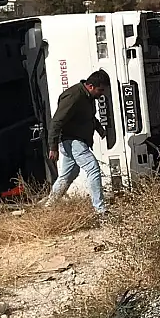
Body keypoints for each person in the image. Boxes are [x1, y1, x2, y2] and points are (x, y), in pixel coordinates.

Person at [44, 69, 112, 215]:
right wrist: (53, 146)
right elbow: (56, 122)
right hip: (71, 140)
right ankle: (100, 210)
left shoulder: (87, 97)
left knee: (69, 175)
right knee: (93, 168)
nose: (102, 94)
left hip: (76, 140)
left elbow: (88, 117)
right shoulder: (74, 96)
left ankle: (49, 206)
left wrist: (100, 129)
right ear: (91, 86)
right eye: (100, 90)